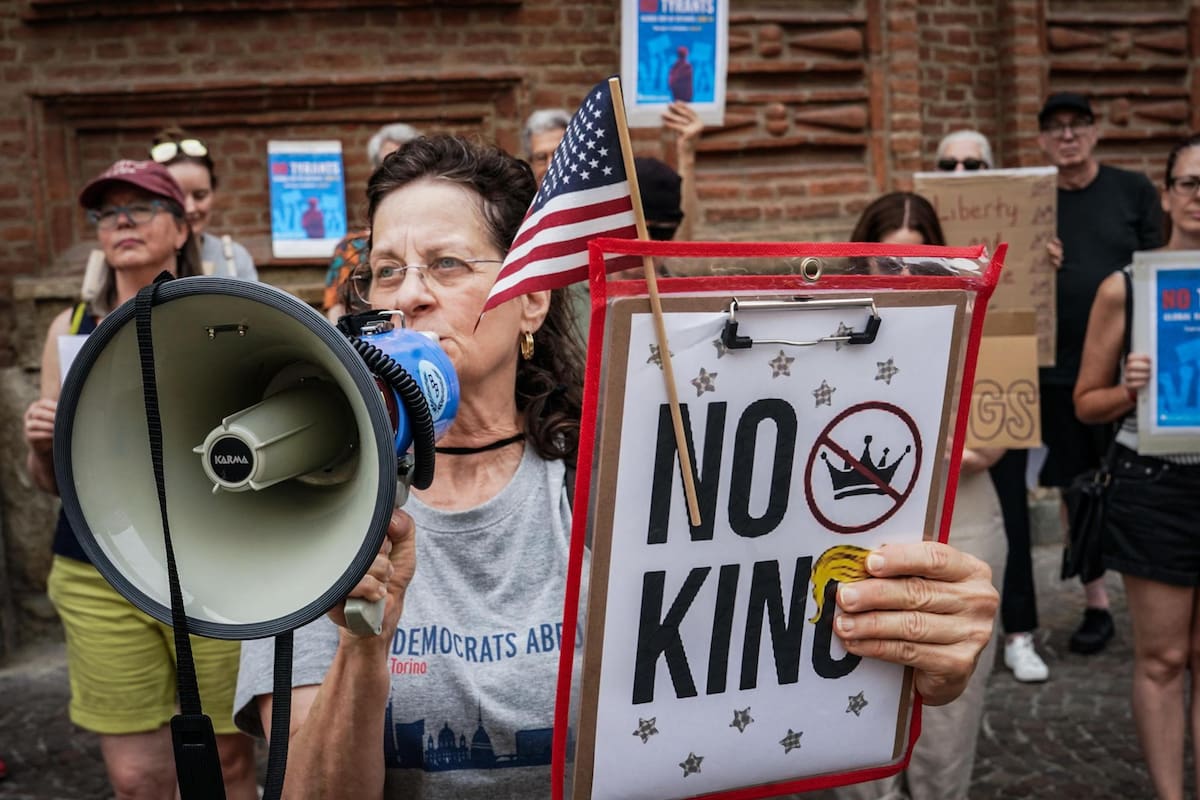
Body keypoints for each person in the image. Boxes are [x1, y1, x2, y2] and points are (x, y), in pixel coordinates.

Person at [232, 137, 1000, 798]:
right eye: (388, 271)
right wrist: (367, 640)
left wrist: (913, 651)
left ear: (530, 302)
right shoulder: (316, 505)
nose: (411, 297)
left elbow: (769, 684)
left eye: (447, 264)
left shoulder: (631, 477)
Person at [22, 160, 257, 800]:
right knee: (136, 780)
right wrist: (41, 444)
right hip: (94, 566)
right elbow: (51, 484)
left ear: (182, 227)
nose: (121, 222)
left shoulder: (220, 313)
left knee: (227, 763)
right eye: (107, 213)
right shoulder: (70, 331)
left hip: (205, 563)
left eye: (141, 208)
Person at [838, 190, 1008, 800]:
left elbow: (991, 442)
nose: (904, 276)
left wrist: (885, 445)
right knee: (852, 702)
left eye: (919, 262)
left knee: (946, 719)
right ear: (862, 262)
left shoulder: (980, 317)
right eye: (888, 263)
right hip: (859, 526)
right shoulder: (834, 327)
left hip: (963, 518)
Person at [1074, 134, 1200, 800]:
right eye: (1190, 184)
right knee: (1162, 659)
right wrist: (1129, 389)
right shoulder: (1127, 288)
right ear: (1168, 193)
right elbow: (1086, 404)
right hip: (1155, 485)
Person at [1036, 92, 1163, 655]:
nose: (1067, 136)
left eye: (1077, 125)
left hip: (1132, 370)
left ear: (1094, 132)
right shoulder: (1035, 201)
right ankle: (1096, 602)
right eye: (1056, 127)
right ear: (1042, 138)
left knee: (1140, 481)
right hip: (1060, 368)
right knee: (1076, 486)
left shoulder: (1131, 189)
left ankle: (1152, 596)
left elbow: (1162, 267)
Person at [934, 129, 1051, 684]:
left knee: (1008, 506)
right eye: (947, 164)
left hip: (1002, 358)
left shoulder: (1017, 226)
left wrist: (1050, 266)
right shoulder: (923, 235)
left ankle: (1019, 630)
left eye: (972, 164)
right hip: (949, 368)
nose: (959, 174)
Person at [323, 122, 423, 320]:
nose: (398, 172)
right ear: (374, 171)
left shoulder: (440, 237)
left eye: (407, 162)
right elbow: (337, 311)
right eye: (388, 162)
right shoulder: (351, 247)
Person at [149, 127, 259, 281]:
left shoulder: (234, 259)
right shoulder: (137, 260)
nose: (190, 208)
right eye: (177, 197)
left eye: (200, 195)